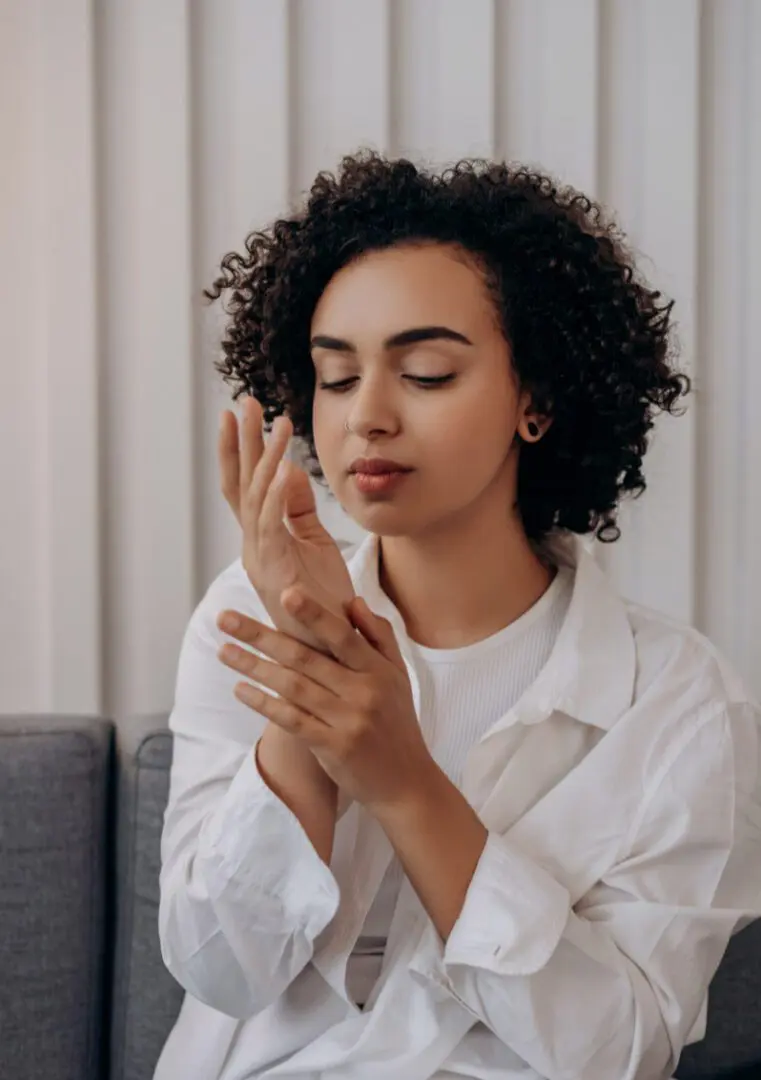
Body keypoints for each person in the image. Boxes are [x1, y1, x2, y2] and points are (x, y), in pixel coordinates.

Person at [153, 150, 761, 1080]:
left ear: (537, 400)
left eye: (427, 373)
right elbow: (219, 972)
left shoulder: (680, 704)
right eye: (337, 377)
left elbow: (621, 1051)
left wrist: (403, 784)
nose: (368, 417)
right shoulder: (246, 616)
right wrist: (311, 669)